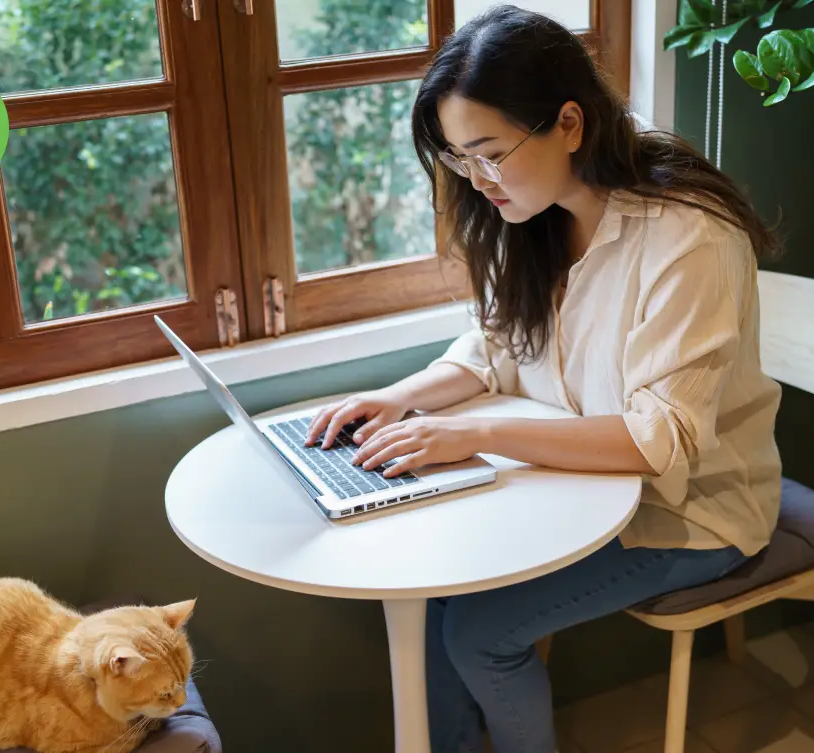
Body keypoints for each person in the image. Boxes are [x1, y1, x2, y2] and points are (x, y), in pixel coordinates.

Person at [304, 6, 783, 753]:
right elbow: (494, 347)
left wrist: (472, 434)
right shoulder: (535, 210)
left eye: (490, 151)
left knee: (480, 632)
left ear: (568, 122)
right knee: (440, 594)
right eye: (460, 157)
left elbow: (659, 440)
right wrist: (400, 397)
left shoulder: (687, 234)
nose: (477, 178)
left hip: (693, 512)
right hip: (580, 492)